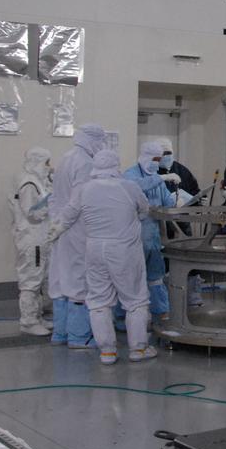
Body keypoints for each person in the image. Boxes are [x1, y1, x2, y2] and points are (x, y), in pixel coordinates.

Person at [54, 150, 156, 365]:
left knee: (98, 300)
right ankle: (138, 348)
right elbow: (144, 210)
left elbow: (67, 216)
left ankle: (107, 351)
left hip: (94, 249)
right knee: (135, 299)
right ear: (116, 165)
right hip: (124, 249)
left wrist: (52, 233)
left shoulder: (84, 189)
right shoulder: (128, 186)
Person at [47, 123, 106, 348]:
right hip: (76, 228)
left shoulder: (66, 157)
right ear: (93, 140)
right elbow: (79, 200)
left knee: (61, 278)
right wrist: (65, 222)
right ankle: (78, 337)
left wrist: (56, 222)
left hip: (61, 226)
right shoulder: (85, 162)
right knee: (79, 279)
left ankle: (60, 333)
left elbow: (54, 196)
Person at [124, 141, 174, 318]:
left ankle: (160, 310)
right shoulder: (130, 174)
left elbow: (167, 201)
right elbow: (136, 187)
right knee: (132, 277)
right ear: (144, 156)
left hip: (153, 235)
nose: (156, 162)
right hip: (135, 235)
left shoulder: (157, 178)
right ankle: (125, 316)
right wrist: (161, 178)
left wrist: (178, 200)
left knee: (156, 276)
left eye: (158, 159)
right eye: (154, 158)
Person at [8, 147, 52, 336]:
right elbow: (33, 213)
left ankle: (38, 316)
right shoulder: (29, 184)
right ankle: (28, 321)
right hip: (31, 238)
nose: (49, 167)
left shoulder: (36, 182)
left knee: (39, 278)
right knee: (31, 280)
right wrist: (51, 205)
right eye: (47, 163)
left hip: (38, 237)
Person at [157, 138, 199, 238]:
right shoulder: (152, 171)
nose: (166, 156)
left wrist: (200, 199)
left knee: (186, 243)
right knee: (164, 245)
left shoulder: (181, 170)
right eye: (163, 153)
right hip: (161, 218)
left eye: (169, 153)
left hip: (182, 216)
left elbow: (194, 190)